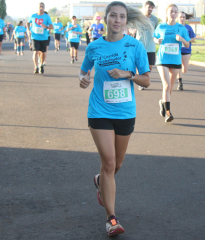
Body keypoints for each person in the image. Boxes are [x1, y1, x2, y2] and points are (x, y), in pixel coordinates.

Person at [79, 1, 152, 237]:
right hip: (99, 111)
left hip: (125, 113)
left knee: (116, 165)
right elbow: (84, 70)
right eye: (113, 16)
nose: (117, 20)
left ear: (126, 20)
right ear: (105, 19)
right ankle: (111, 219)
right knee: (109, 162)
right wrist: (83, 79)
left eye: (121, 16)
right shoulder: (94, 47)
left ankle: (101, 181)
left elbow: (147, 80)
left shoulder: (135, 46)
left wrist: (128, 74)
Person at [154, 4, 190, 122]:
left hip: (175, 60)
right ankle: (168, 113)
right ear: (166, 13)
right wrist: (157, 40)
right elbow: (154, 37)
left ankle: (162, 102)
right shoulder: (161, 26)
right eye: (171, 12)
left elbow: (188, 44)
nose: (173, 14)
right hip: (162, 59)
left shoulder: (182, 28)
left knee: (170, 88)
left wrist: (182, 39)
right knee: (166, 85)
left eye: (175, 12)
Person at [133, 0, 158, 91]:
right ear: (144, 7)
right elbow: (132, 27)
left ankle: (141, 78)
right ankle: (141, 82)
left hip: (151, 46)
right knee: (140, 66)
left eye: (152, 7)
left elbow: (157, 32)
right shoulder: (139, 18)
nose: (150, 9)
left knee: (149, 67)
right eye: (149, 7)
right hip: (140, 46)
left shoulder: (155, 19)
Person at [27, 2, 53, 74]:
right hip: (35, 36)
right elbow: (28, 22)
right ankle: (36, 66)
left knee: (43, 53)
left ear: (44, 8)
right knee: (35, 51)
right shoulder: (33, 16)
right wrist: (28, 30)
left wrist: (46, 27)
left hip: (44, 37)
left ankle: (41, 64)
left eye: (42, 7)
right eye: (40, 7)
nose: (41, 8)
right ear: (37, 8)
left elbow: (52, 26)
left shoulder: (47, 16)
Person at [177, 12, 195, 91]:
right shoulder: (175, 27)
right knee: (179, 66)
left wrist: (184, 40)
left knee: (185, 69)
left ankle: (179, 75)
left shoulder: (189, 28)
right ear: (178, 18)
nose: (182, 18)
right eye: (180, 17)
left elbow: (193, 39)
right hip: (177, 50)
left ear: (185, 18)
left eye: (183, 17)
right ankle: (180, 82)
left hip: (187, 49)